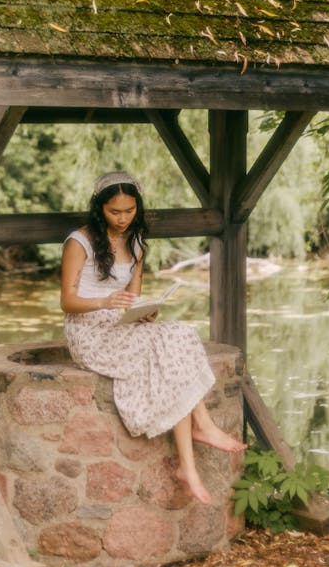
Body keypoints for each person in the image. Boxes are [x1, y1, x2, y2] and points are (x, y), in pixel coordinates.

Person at [61, 171, 245, 505]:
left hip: (121, 325)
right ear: (99, 208)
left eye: (129, 211)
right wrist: (104, 301)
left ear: (138, 208)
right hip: (88, 332)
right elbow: (67, 301)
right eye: (114, 212)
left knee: (180, 333)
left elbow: (133, 299)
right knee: (165, 348)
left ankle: (188, 465)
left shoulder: (137, 244)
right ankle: (200, 430)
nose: (122, 218)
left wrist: (145, 312)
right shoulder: (80, 242)